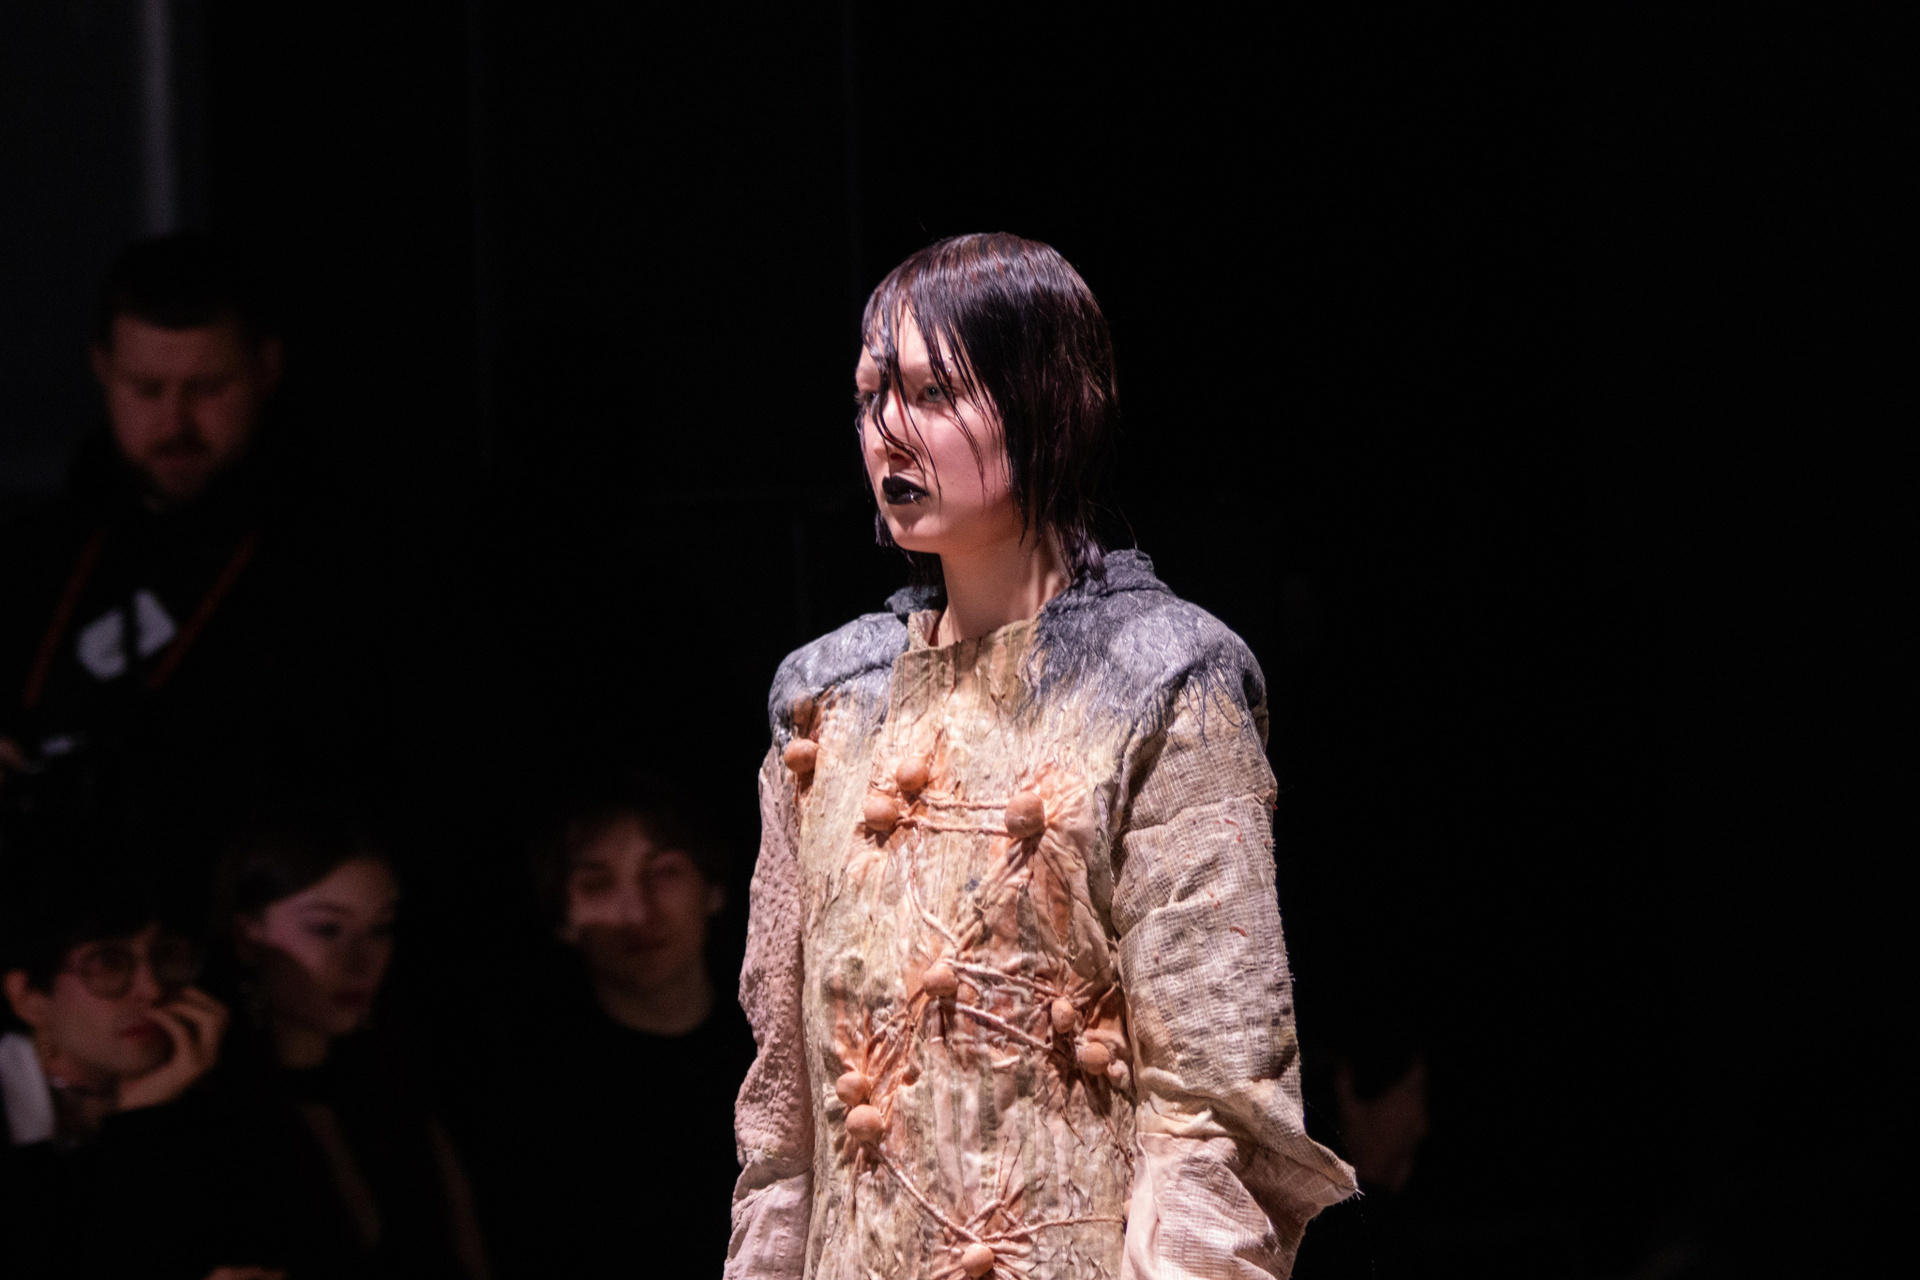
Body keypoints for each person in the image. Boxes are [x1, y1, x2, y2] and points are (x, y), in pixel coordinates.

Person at [728, 234, 1357, 1279]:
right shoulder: (827, 703)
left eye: (934, 391)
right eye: (871, 395)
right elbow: (785, 1120)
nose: (889, 429)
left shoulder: (1160, 680)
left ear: (1048, 402)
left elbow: (1212, 1106)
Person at [0, 233, 392, 890]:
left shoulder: (346, 565)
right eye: (147, 388)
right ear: (102, 370)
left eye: (207, 388)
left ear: (266, 369)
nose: (175, 422)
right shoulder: (34, 559)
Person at [472, 774, 756, 1278]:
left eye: (663, 872)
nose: (637, 912)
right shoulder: (535, 1099)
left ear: (712, 889)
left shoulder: (779, 1045)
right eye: (598, 884)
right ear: (562, 915)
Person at [206, 824, 490, 1280]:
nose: (361, 962)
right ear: (247, 934)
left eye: (380, 929)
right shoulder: (209, 1114)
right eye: (327, 929)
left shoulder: (399, 1094)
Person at [0, 849, 285, 1280]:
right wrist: (140, 1125)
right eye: (108, 964)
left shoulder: (202, 1095)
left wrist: (149, 1114)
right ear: (29, 997)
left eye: (165, 955)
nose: (151, 989)